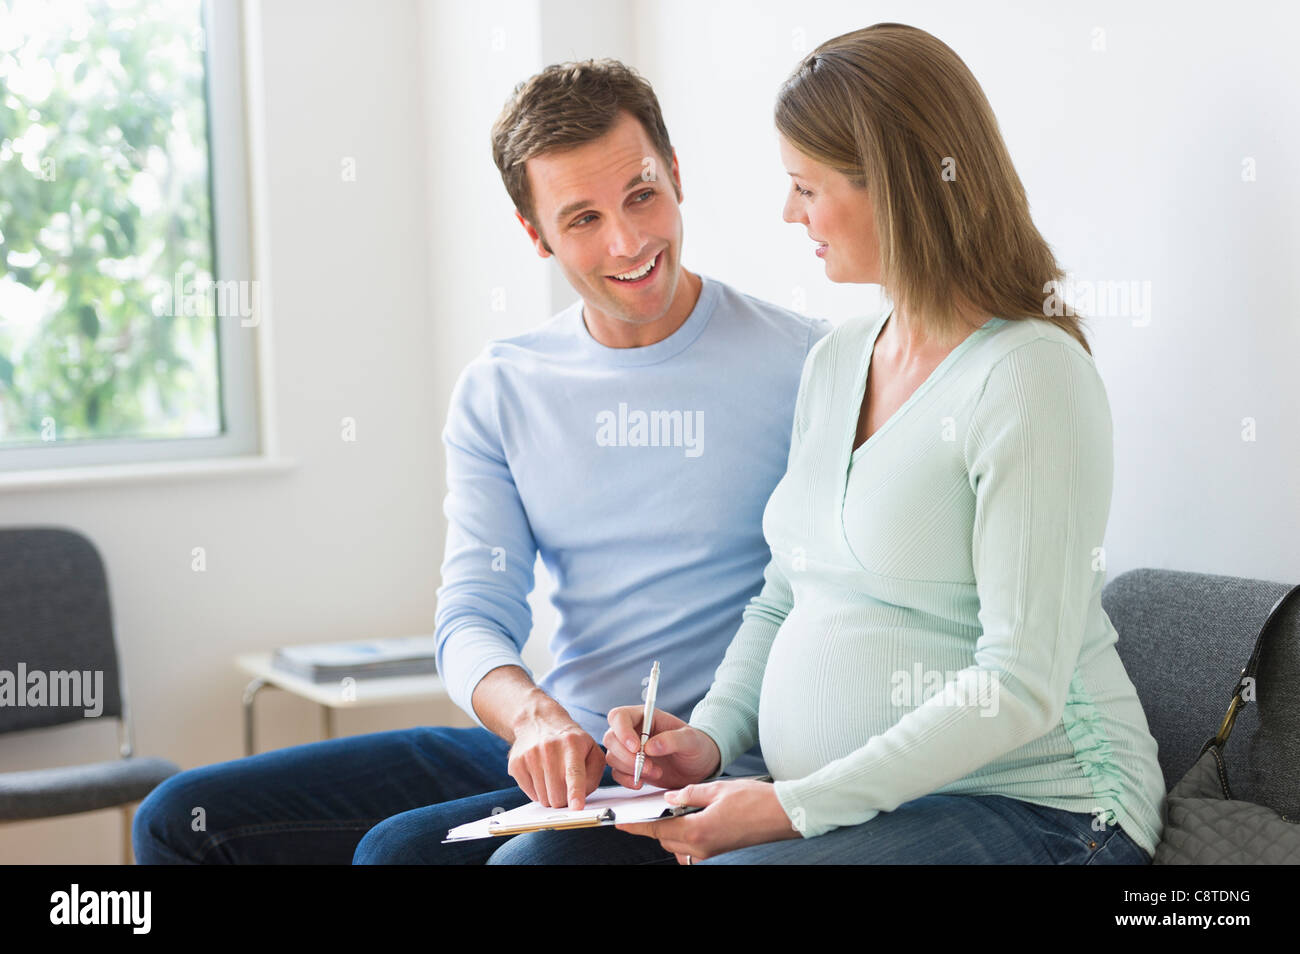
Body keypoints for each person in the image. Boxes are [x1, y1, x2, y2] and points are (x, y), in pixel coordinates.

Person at [491, 23, 1166, 865]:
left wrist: (793, 809)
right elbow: (783, 596)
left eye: (805, 187)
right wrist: (704, 740)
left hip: (1045, 809)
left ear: (894, 187)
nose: (787, 212)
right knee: (536, 863)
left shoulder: (1030, 377)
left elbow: (1018, 686)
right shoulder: (842, 358)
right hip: (855, 801)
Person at [129, 58, 829, 865]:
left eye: (642, 196)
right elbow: (472, 616)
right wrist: (535, 718)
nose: (628, 242)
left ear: (675, 175)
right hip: (565, 742)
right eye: (582, 219)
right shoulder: (504, 388)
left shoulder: (807, 364)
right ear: (534, 234)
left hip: (717, 765)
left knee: (404, 856)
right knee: (182, 815)